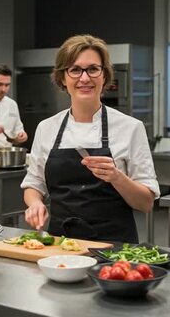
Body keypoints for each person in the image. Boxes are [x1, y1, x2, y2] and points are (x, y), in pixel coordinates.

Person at [21, 34, 159, 243]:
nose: (84, 78)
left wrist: (116, 177)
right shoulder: (46, 128)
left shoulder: (131, 128)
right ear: (62, 78)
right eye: (75, 70)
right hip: (60, 246)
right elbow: (34, 184)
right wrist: (35, 203)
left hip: (115, 251)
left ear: (104, 76)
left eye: (93, 69)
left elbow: (146, 203)